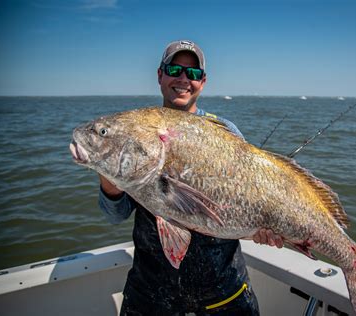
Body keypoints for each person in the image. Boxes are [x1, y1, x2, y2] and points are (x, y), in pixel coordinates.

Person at [98, 40, 283, 316]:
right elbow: (115, 215)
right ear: (160, 75)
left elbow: (246, 202)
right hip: (151, 297)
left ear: (203, 82)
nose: (184, 79)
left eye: (193, 74)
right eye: (175, 69)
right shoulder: (137, 130)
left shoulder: (227, 132)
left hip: (224, 293)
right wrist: (109, 182)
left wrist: (261, 229)